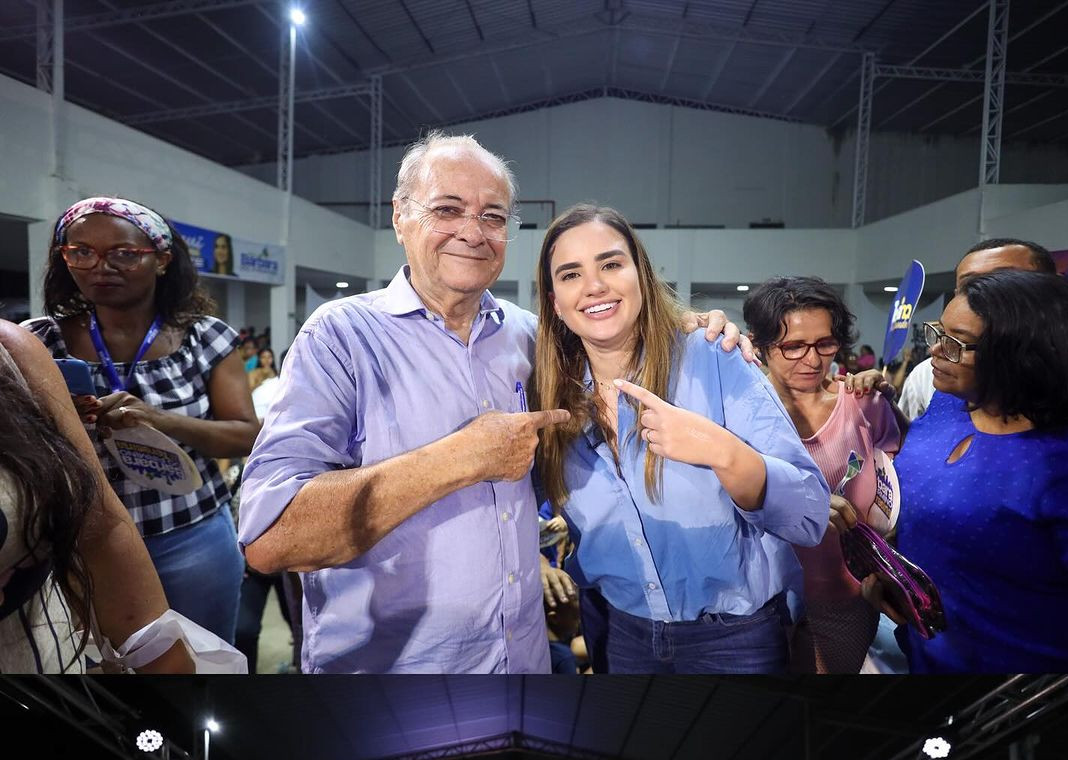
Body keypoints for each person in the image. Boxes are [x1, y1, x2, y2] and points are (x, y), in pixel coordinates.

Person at [238, 131, 748, 673]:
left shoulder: (533, 339)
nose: (472, 233)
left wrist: (684, 331)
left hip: (520, 662)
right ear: (400, 217)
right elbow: (270, 537)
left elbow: (621, 357)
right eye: (448, 210)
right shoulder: (341, 338)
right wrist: (460, 458)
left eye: (493, 217)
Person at [531, 205, 829, 674]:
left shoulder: (714, 357)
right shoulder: (550, 398)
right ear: (555, 302)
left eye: (610, 264)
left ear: (640, 276)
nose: (594, 286)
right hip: (621, 636)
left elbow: (810, 513)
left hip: (734, 640)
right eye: (571, 274)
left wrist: (721, 450)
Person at [25, 196, 259, 642]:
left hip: (189, 538)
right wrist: (54, 418)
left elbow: (246, 436)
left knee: (204, 658)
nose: (100, 266)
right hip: (81, 543)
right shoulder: (37, 343)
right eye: (81, 252)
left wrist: (160, 420)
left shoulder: (203, 337)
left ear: (162, 260)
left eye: (124, 254)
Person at [879, 269, 1068, 672]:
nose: (935, 351)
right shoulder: (946, 404)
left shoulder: (1065, 462)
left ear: (1023, 355)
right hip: (927, 656)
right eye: (938, 334)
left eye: (958, 345)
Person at [0, 321, 191, 673]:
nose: (100, 268)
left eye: (127, 259)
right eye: (80, 259)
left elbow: (99, 526)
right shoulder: (47, 336)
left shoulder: (14, 351)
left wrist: (161, 660)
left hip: (41, 658)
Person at [743, 276, 903, 671]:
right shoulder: (737, 415)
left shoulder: (864, 405)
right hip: (759, 604)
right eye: (793, 346)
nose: (812, 360)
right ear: (759, 345)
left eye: (825, 344)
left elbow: (896, 493)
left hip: (844, 600)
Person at [898, 237, 1058, 422]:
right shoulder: (928, 376)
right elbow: (911, 444)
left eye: (1005, 283)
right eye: (970, 285)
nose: (984, 293)